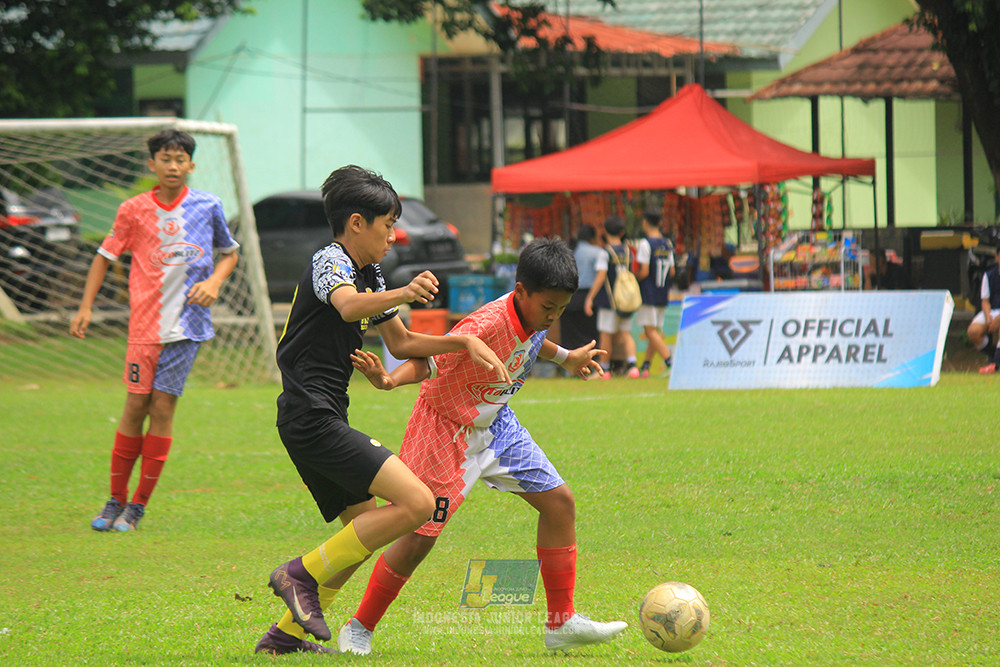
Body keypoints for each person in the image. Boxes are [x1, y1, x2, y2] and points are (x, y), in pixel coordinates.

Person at [253, 165, 511, 656]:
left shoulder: (370, 272)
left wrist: (464, 340)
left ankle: (283, 637)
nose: (393, 236)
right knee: (415, 504)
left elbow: (404, 341)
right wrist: (406, 291)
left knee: (361, 533)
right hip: (311, 416)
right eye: (387, 224)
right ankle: (297, 575)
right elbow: (350, 307)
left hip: (322, 415)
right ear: (356, 223)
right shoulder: (331, 261)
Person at [339, 237, 627, 655]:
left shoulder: (533, 314)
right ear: (521, 291)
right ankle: (359, 627)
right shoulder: (486, 323)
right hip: (443, 430)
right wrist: (390, 380)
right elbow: (431, 360)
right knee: (419, 537)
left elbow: (531, 339)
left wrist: (565, 357)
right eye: (548, 307)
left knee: (560, 502)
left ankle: (561, 623)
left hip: (496, 424)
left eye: (561, 309)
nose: (553, 316)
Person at [71, 129, 240, 533]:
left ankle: (138, 507)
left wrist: (215, 282)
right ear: (152, 164)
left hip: (187, 328)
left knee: (162, 409)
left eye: (181, 159)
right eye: (165, 158)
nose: (173, 166)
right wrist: (85, 306)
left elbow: (229, 253)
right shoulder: (132, 210)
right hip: (143, 327)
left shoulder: (208, 205)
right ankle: (114, 500)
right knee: (134, 407)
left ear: (191, 166)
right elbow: (102, 257)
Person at [584, 216, 640, 378]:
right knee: (626, 333)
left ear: (605, 232)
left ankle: (605, 369)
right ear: (622, 232)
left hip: (609, 301)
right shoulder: (628, 250)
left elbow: (601, 275)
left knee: (606, 334)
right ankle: (633, 366)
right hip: (626, 299)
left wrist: (590, 297)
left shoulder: (605, 252)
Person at [634, 210, 675, 377]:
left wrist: (632, 277)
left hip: (648, 293)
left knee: (650, 331)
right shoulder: (667, 244)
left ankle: (670, 361)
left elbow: (643, 271)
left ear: (645, 222)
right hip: (662, 292)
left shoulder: (645, 244)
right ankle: (646, 366)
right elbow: (672, 271)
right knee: (654, 331)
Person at [560, 224, 601, 350]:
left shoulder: (569, 251)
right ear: (593, 238)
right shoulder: (597, 252)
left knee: (571, 335)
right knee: (590, 333)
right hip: (590, 297)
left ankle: (570, 367)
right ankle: (590, 362)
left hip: (569, 297)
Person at [969, 246, 1000, 374]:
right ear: (997, 257)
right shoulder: (989, 275)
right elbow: (985, 300)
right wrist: (988, 317)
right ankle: (993, 355)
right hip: (992, 310)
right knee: (973, 332)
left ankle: (995, 365)